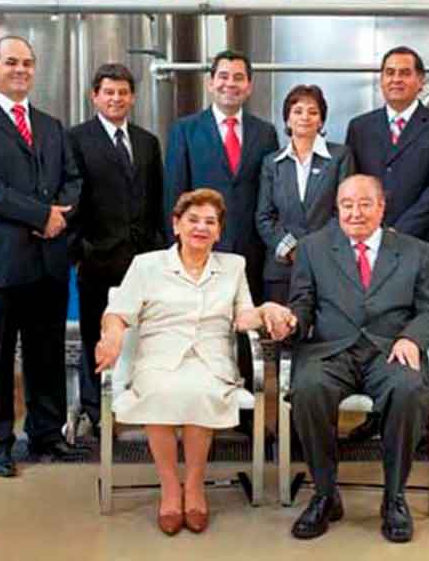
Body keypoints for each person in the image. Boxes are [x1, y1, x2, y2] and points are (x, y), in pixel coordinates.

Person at [95, 189, 296, 536]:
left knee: (201, 391)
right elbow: (118, 312)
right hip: (158, 356)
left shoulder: (233, 266)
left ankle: (194, 486)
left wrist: (267, 310)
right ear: (176, 225)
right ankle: (170, 489)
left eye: (210, 222)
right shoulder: (147, 265)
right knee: (159, 392)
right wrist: (112, 337)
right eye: (193, 220)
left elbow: (243, 316)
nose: (201, 228)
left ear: (218, 231)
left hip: (211, 358)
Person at [277, 175, 429, 543]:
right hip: (331, 350)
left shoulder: (416, 251)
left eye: (365, 204)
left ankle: (394, 497)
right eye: (347, 205)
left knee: (408, 390)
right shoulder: (313, 249)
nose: (355, 213)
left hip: (389, 349)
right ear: (337, 208)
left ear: (381, 207)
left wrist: (411, 337)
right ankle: (325, 494)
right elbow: (303, 304)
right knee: (308, 388)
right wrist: (291, 323)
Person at [0, 35, 83, 478]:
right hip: (0, 262)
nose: (21, 70)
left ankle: (47, 434)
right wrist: (42, 215)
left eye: (27, 63)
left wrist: (59, 217)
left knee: (47, 353)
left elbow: (73, 179)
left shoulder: (50, 125)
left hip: (48, 259)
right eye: (11, 62)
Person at [163, 49, 280, 437]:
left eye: (238, 77)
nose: (231, 84)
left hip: (250, 247)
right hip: (199, 249)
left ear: (249, 86)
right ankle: (199, 414)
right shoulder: (185, 130)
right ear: (211, 82)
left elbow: (269, 193)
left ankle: (245, 414)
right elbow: (175, 194)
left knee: (246, 331)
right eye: (224, 76)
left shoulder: (265, 133)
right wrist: (178, 249)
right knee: (199, 329)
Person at [342, 46, 429, 444]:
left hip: (419, 245)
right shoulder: (361, 126)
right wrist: (370, 229)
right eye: (389, 72)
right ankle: (376, 414)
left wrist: (396, 233)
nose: (396, 79)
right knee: (371, 324)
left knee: (414, 327)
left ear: (420, 81)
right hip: (366, 247)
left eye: (405, 73)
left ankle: (415, 422)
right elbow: (353, 185)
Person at [66, 63, 165, 439]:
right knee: (96, 335)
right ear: (95, 96)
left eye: (123, 92)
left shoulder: (147, 142)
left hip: (142, 259)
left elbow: (157, 197)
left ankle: (140, 401)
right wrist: (80, 250)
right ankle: (96, 412)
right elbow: (71, 197)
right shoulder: (76, 139)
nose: (116, 99)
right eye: (108, 92)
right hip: (97, 258)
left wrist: (159, 249)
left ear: (133, 97)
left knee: (144, 333)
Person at [255, 84, 353, 305]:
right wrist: (291, 250)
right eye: (297, 111)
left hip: (328, 263)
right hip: (281, 268)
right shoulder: (272, 162)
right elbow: (264, 217)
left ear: (321, 121)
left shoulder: (340, 156)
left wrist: (314, 250)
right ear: (287, 119)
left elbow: (344, 211)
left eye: (313, 112)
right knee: (281, 325)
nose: (305, 117)